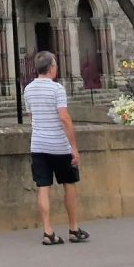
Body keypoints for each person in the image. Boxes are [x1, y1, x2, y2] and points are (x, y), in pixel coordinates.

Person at [24, 50, 87, 245]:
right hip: (59, 146)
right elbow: (64, 118)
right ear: (51, 68)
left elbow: (31, 116)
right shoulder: (57, 89)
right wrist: (74, 148)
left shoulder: (28, 89)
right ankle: (73, 228)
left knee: (43, 187)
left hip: (38, 145)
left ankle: (48, 231)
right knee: (69, 185)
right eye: (56, 66)